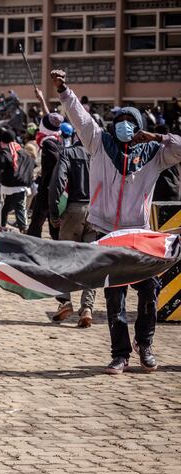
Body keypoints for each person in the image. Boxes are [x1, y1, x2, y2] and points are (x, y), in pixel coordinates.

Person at [53, 68, 181, 374]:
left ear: (139, 126)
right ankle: (120, 353)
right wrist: (63, 90)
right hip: (106, 233)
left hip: (139, 235)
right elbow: (81, 118)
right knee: (114, 297)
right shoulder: (99, 144)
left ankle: (145, 344)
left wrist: (158, 136)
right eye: (119, 122)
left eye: (130, 122)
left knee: (149, 290)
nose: (124, 127)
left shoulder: (154, 153)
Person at [47, 123, 95, 327]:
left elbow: (57, 182)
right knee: (91, 262)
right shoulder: (102, 153)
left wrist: (54, 212)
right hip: (97, 212)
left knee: (64, 257)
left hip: (73, 210)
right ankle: (87, 308)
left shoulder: (69, 153)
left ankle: (65, 301)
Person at [26, 110, 64, 239]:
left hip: (47, 187)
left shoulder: (48, 144)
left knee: (37, 221)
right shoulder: (56, 141)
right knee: (52, 221)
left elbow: (52, 167)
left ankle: (31, 248)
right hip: (54, 188)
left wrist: (46, 186)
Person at [0, 128, 35, 232]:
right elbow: (32, 165)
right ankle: (24, 228)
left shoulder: (4, 152)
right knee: (20, 207)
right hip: (22, 186)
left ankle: (1, 228)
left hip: (7, 186)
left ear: (2, 141)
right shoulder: (24, 152)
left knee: (4, 207)